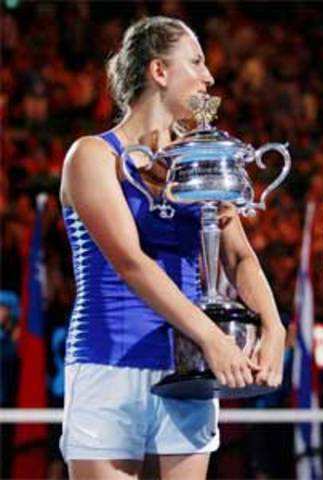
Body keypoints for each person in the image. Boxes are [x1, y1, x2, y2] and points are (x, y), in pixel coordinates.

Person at [58, 16, 285, 480]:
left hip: (189, 371)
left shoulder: (200, 159)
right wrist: (211, 337)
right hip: (109, 362)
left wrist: (275, 327)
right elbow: (131, 263)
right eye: (197, 61)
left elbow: (240, 256)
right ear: (159, 71)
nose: (209, 77)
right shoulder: (92, 156)